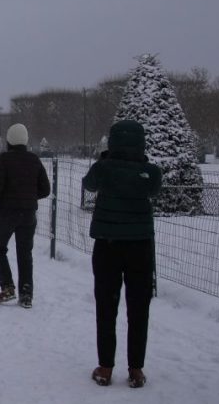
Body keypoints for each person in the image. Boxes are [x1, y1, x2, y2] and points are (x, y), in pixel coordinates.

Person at [81, 119, 162, 389]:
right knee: (139, 308)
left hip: (108, 244)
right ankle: (136, 369)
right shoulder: (150, 172)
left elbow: (89, 184)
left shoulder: (103, 168)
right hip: (140, 245)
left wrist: (107, 159)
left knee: (106, 305)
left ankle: (105, 367)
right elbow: (154, 190)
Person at [0, 123, 50, 309]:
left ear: (9, 140)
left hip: (7, 213)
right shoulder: (34, 160)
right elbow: (46, 189)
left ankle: (8, 287)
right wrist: (28, 196)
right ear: (25, 140)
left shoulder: (4, 160)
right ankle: (26, 294)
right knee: (25, 253)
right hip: (28, 215)